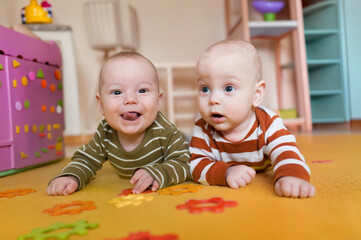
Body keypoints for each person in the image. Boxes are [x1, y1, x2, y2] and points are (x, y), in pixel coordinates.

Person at [47, 52, 191, 196]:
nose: (130, 99)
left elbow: (185, 163)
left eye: (142, 90)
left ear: (158, 101)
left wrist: (158, 172)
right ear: (101, 104)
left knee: (198, 147)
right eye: (117, 92)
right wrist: (71, 176)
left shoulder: (165, 131)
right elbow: (87, 159)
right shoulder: (105, 132)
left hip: (187, 143)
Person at [189, 40, 316, 198]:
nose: (213, 99)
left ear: (256, 94)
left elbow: (286, 151)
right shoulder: (203, 126)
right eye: (205, 88)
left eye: (228, 88)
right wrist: (226, 172)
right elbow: (195, 165)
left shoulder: (268, 123)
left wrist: (290, 176)